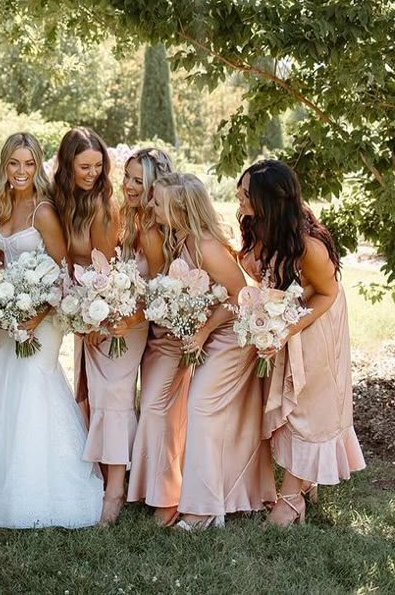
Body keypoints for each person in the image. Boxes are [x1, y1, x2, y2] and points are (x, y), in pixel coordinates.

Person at [0, 132, 104, 528]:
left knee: (35, 388)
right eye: (14, 163)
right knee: (6, 391)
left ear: (38, 166)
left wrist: (34, 313)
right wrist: (6, 304)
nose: (21, 172)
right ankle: (0, 487)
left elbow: (63, 270)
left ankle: (43, 486)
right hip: (11, 315)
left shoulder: (44, 211)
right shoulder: (2, 205)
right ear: (5, 165)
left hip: (43, 318)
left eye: (29, 164)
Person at [237, 159, 365, 526]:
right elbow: (258, 268)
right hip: (287, 318)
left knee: (305, 405)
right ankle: (303, 482)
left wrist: (287, 328)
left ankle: (292, 497)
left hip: (315, 322)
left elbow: (326, 293)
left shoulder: (309, 246)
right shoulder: (257, 223)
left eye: (247, 195)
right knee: (287, 403)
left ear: (269, 201)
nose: (239, 199)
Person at [152, 172, 276, 530]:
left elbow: (241, 295)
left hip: (232, 338)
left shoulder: (206, 245)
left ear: (178, 208)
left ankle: (203, 511)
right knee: (204, 414)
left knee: (201, 409)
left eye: (158, 202)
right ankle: (216, 500)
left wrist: (204, 329)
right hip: (213, 333)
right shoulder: (181, 240)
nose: (152, 206)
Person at [52, 127, 132, 524]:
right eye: (85, 166)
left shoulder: (103, 207)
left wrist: (95, 318)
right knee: (94, 393)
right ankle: (101, 472)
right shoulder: (62, 202)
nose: (93, 174)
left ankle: (115, 489)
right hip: (84, 312)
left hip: (113, 315)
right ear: (67, 165)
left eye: (99, 166)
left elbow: (106, 272)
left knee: (113, 395)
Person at [122, 149, 190, 526]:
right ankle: (156, 490)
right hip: (148, 335)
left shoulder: (154, 230)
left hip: (170, 334)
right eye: (128, 177)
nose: (130, 186)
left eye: (139, 180)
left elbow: (158, 292)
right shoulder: (133, 220)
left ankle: (169, 499)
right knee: (155, 409)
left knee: (155, 408)